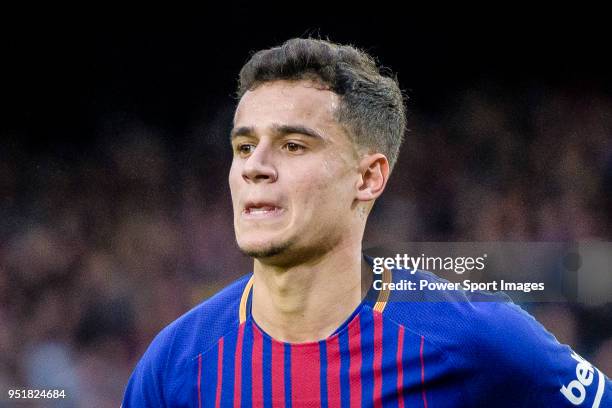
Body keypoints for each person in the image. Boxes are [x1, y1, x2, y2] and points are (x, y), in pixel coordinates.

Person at [122, 38, 611, 407]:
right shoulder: (176, 365)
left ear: (368, 176)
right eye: (244, 146)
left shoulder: (473, 337)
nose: (255, 166)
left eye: (293, 145)